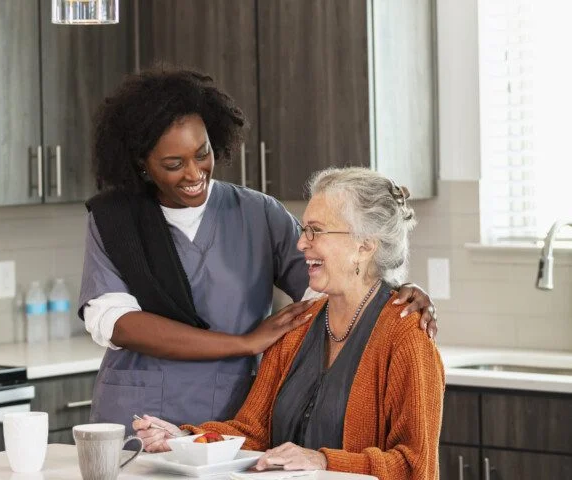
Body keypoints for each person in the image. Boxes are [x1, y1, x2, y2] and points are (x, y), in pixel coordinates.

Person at [79, 67, 438, 433]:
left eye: (202, 154)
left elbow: (335, 279)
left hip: (232, 420)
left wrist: (397, 290)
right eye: (173, 164)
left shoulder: (258, 213)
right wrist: (245, 343)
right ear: (142, 164)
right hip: (135, 419)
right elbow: (119, 324)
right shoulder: (115, 220)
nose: (194, 173)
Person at [134, 166, 445, 479]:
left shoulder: (408, 336)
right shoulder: (299, 322)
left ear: (365, 245)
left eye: (316, 230)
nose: (300, 244)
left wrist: (323, 461)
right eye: (303, 229)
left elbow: (414, 466)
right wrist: (187, 440)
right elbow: (251, 431)